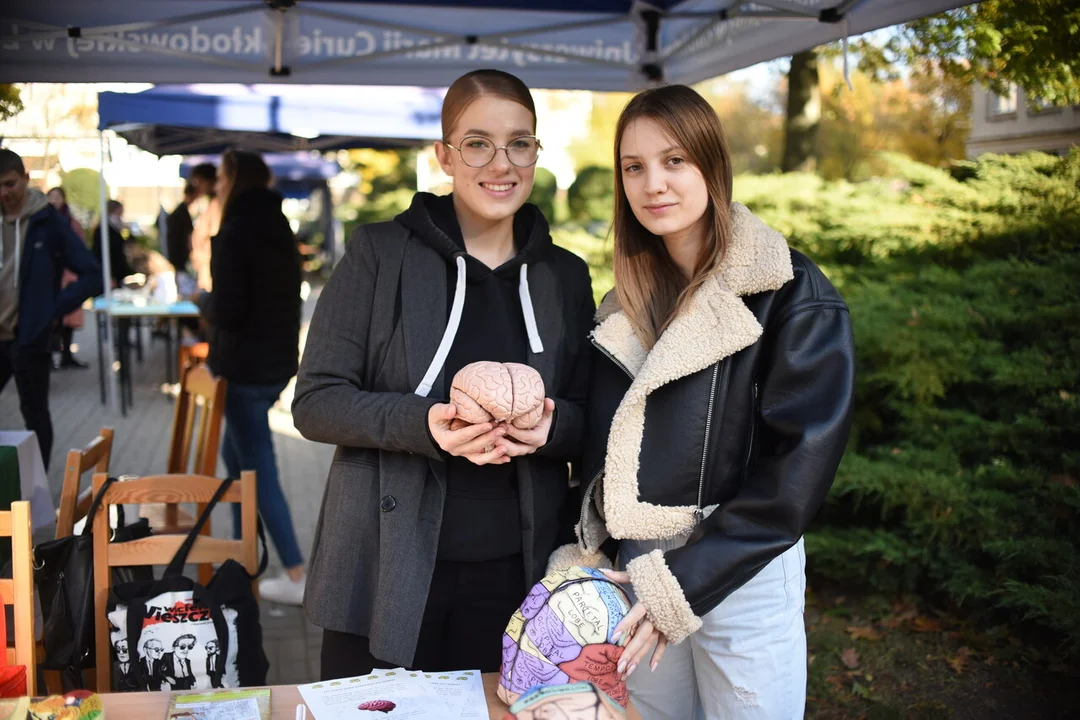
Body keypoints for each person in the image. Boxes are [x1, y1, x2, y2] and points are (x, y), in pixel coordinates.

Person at [551, 85, 856, 719]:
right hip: (640, 568)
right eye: (633, 167)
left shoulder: (790, 293)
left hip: (741, 575)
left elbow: (793, 479)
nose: (652, 184)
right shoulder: (623, 307)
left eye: (674, 161)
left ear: (713, 166)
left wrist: (682, 586)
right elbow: (610, 451)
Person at [293, 68, 594, 679]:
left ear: (536, 152)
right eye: (477, 143)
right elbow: (317, 401)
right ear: (445, 156)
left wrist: (552, 429)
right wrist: (423, 424)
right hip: (383, 563)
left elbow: (591, 418)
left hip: (518, 574)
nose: (499, 162)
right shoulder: (379, 255)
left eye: (519, 143)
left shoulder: (564, 276)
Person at [194, 149, 306, 604]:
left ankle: (297, 574)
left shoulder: (238, 230)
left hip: (245, 367)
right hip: (274, 364)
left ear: (234, 178)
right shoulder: (276, 225)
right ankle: (245, 555)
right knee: (237, 459)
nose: (216, 184)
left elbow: (230, 309)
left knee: (257, 471)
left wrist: (202, 301)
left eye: (220, 176)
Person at [0, 149, 102, 470]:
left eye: (9, 184)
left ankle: (36, 494)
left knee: (35, 415)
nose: (4, 193)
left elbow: (92, 275)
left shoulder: (48, 222)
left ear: (25, 179)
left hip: (30, 338)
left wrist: (51, 309)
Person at [46, 186, 89, 369]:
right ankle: (47, 355)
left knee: (68, 319)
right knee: (50, 319)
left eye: (58, 197)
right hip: (49, 275)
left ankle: (66, 354)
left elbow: (80, 248)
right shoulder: (41, 222)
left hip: (68, 275)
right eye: (51, 197)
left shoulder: (70, 222)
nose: (55, 200)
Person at [91, 199, 135, 289]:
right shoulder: (102, 230)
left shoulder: (120, 228)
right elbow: (100, 252)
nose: (120, 217)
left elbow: (130, 241)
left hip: (120, 269)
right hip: (109, 270)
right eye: (118, 213)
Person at [166, 183, 198, 275]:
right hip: (179, 255)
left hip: (176, 255)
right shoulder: (181, 213)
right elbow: (188, 236)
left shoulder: (181, 211)